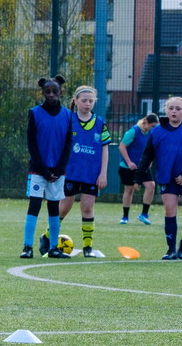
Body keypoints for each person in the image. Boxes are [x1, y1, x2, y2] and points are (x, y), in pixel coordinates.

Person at [41, 85, 110, 258]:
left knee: (87, 208)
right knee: (64, 207)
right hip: (69, 172)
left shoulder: (100, 123)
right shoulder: (68, 120)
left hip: (91, 174)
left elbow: (105, 150)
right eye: (84, 100)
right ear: (76, 101)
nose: (87, 104)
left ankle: (88, 247)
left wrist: (103, 173)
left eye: (91, 101)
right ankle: (48, 237)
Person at [20, 76, 72, 259]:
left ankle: (53, 248)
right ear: (42, 93)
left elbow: (68, 145)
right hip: (38, 169)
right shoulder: (34, 113)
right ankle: (27, 247)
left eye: (54, 91)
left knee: (53, 207)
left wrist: (58, 170)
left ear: (61, 92)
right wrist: (43, 170)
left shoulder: (68, 115)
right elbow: (31, 144)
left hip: (58, 171)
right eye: (47, 91)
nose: (51, 94)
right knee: (34, 205)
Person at [136, 97, 182, 260]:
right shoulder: (157, 132)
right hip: (167, 178)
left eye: (178, 108)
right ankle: (171, 250)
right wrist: (138, 177)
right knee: (170, 210)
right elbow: (147, 156)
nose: (174, 111)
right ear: (166, 110)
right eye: (171, 108)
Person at [118, 113, 159, 225]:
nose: (155, 128)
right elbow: (122, 146)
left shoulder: (151, 134)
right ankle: (125, 217)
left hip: (142, 167)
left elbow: (152, 150)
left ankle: (144, 215)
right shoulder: (133, 131)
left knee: (151, 186)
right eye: (153, 126)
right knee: (129, 189)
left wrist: (148, 162)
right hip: (128, 166)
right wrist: (129, 162)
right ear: (146, 122)